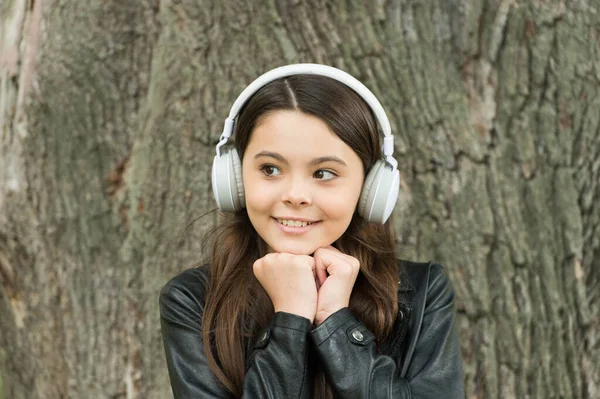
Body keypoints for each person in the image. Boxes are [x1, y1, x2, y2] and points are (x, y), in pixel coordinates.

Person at [159, 64, 465, 398]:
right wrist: (290, 318)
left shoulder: (420, 294)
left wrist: (335, 320)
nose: (295, 195)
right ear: (235, 179)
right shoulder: (192, 300)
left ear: (369, 190)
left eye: (323, 173)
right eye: (270, 169)